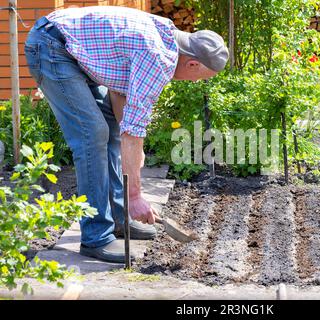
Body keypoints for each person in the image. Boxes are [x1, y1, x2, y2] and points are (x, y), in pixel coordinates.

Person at [24, 5, 229, 263]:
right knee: (93, 135)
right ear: (192, 63)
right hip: (52, 46)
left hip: (71, 48)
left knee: (109, 129)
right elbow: (134, 129)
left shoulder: (167, 38)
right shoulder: (158, 57)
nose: (196, 82)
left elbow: (122, 97)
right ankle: (96, 236)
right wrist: (135, 194)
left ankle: (121, 219)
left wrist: (130, 144)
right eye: (201, 76)